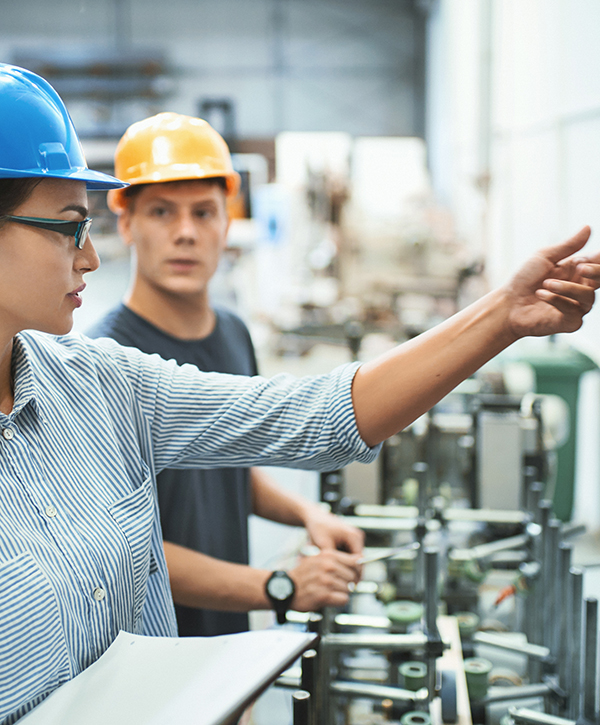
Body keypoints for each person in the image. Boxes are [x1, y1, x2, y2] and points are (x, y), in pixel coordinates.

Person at [1, 63, 599, 724]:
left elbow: (310, 415)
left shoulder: (100, 384)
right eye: (66, 227)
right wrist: (275, 585)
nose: (89, 259)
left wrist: (501, 316)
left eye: (205, 210)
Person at [87, 112, 366, 637]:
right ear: (125, 223)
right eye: (162, 212)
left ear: (226, 222)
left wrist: (307, 514)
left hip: (229, 642)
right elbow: (113, 549)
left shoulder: (234, 334)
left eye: (203, 212)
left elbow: (230, 468)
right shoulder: (99, 361)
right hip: (152, 658)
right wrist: (275, 585)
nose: (186, 233)